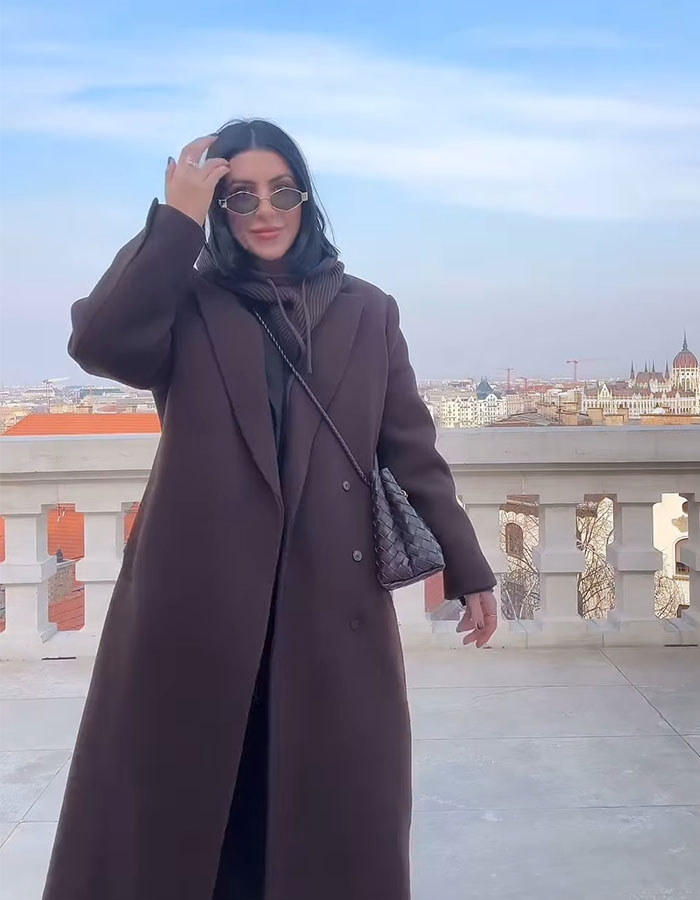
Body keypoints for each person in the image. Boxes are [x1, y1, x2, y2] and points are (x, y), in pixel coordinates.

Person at [42, 119, 498, 900]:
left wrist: (468, 566)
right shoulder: (187, 301)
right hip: (201, 599)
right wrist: (176, 220)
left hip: (329, 597)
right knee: (191, 813)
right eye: (240, 195)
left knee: (329, 810)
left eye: (282, 192)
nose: (264, 210)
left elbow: (409, 447)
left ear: (305, 199)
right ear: (219, 208)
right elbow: (100, 343)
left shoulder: (368, 310)